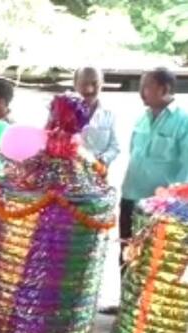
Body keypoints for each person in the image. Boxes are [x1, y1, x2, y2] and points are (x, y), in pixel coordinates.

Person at [121, 68, 188, 268]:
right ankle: (125, 298)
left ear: (164, 89)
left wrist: (172, 200)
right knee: (126, 252)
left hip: (160, 206)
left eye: (146, 86)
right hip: (131, 195)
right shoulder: (142, 118)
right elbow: (133, 151)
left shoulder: (183, 121)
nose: (141, 91)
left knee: (151, 261)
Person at [74, 67, 119, 167]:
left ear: (102, 83)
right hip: (68, 176)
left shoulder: (109, 113)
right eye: (84, 83)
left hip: (98, 174)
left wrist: (102, 160)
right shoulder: (62, 112)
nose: (90, 89)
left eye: (95, 83)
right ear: (75, 84)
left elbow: (115, 147)